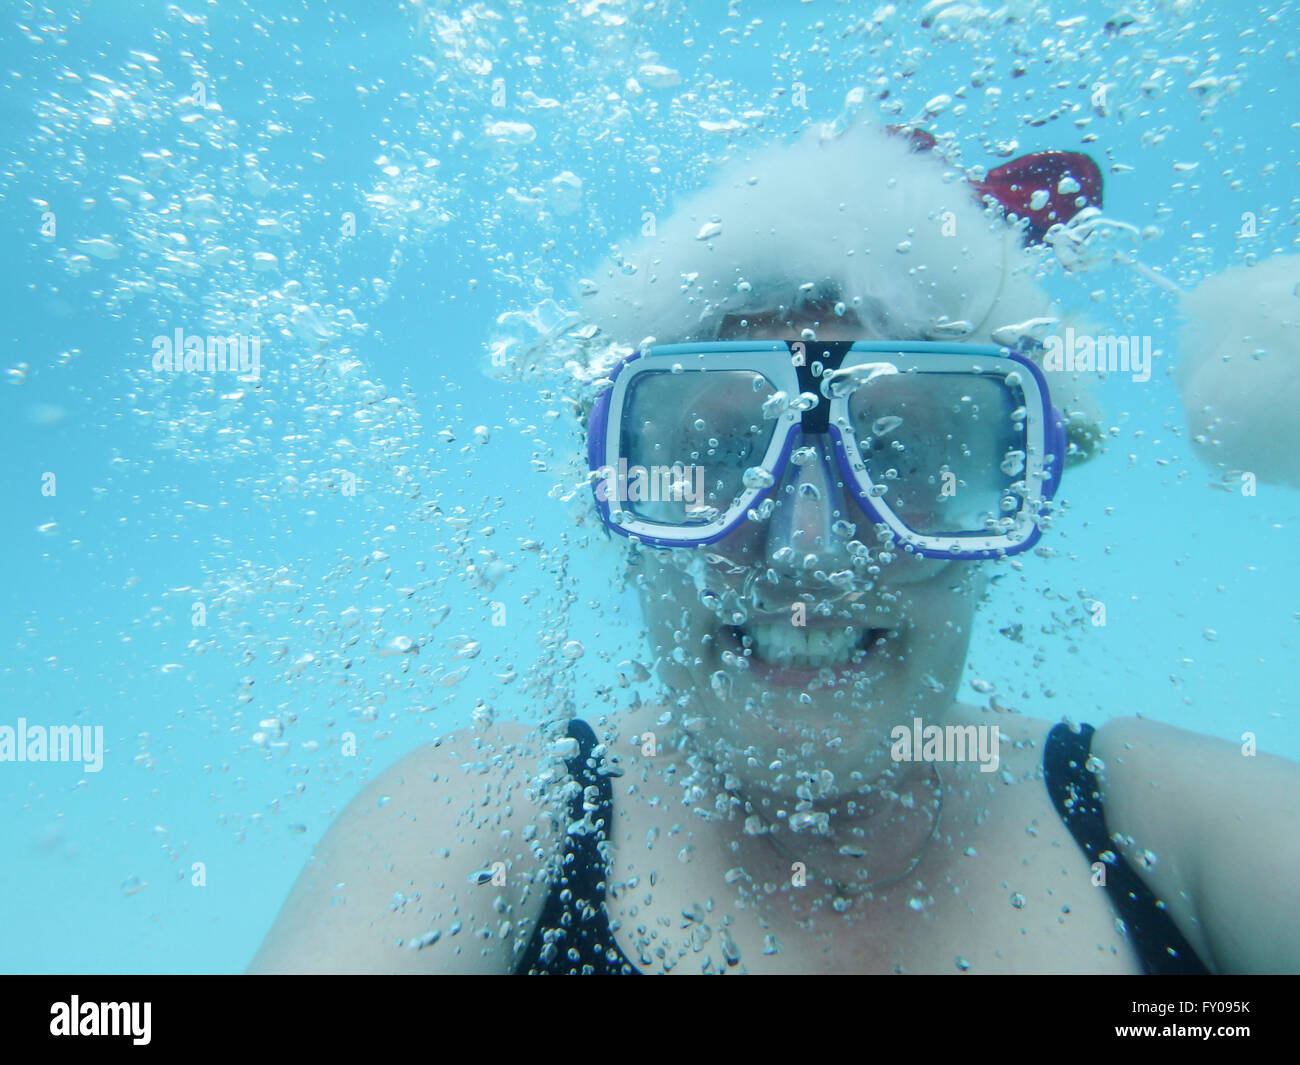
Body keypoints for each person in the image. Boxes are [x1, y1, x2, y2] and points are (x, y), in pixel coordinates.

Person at [249, 121, 1300, 975]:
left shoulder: (1171, 825)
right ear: (616, 496)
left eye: (896, 453)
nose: (805, 549)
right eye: (715, 452)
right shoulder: (489, 825)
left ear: (1011, 490)